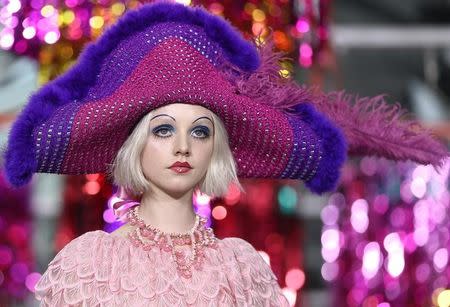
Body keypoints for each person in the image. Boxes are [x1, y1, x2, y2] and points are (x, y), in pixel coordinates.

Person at [2, 2, 448, 306]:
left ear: (217, 146)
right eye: (162, 130)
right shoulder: (88, 264)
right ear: (134, 145)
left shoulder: (242, 267)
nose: (183, 146)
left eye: (200, 130)